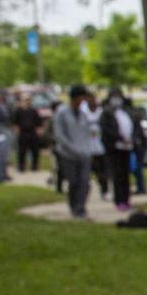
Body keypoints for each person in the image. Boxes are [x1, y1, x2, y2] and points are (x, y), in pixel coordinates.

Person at [53, 84, 94, 219]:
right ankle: (74, 206)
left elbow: (86, 133)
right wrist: (72, 148)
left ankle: (80, 208)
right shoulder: (62, 113)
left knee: (85, 182)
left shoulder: (83, 114)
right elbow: (59, 135)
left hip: (84, 153)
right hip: (67, 154)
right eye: (82, 96)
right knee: (74, 181)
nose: (84, 99)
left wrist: (87, 149)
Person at [100, 88, 137, 210]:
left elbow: (134, 126)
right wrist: (120, 138)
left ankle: (126, 200)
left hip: (127, 147)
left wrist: (132, 139)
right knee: (117, 175)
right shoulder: (107, 113)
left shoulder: (126, 112)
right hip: (115, 148)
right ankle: (119, 200)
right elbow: (107, 131)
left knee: (126, 176)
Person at [81, 91, 106, 198]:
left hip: (100, 146)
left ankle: (104, 190)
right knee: (87, 172)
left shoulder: (101, 111)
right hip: (87, 146)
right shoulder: (83, 111)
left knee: (102, 171)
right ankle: (85, 192)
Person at [13, 94, 42, 172]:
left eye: (28, 100)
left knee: (35, 150)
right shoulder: (18, 111)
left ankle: (34, 166)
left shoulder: (33, 111)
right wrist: (16, 130)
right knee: (22, 151)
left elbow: (38, 122)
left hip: (32, 132)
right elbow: (15, 122)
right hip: (23, 132)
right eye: (25, 100)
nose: (27, 102)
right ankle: (21, 166)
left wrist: (38, 130)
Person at [128, 102, 147, 195]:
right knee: (137, 168)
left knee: (137, 168)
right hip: (137, 147)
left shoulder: (134, 121)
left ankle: (141, 187)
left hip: (137, 147)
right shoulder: (134, 120)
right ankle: (140, 187)